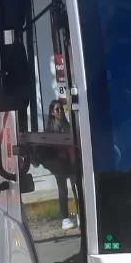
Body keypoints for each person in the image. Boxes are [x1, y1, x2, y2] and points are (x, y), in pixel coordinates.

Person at [44, 98, 78, 230]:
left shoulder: (68, 126)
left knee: (77, 187)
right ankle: (65, 218)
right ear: (52, 113)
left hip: (71, 161)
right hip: (59, 164)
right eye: (57, 110)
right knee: (63, 189)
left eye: (61, 109)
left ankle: (81, 213)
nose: (60, 112)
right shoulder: (51, 129)